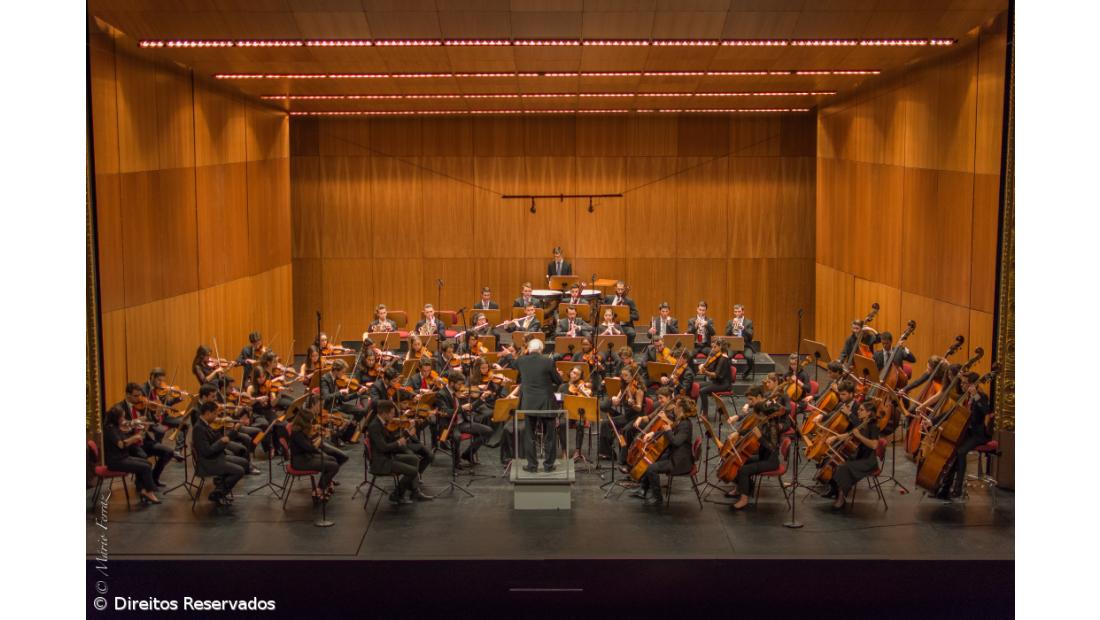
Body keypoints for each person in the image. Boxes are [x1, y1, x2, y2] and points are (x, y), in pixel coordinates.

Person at [936, 372, 993, 500]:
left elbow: (986, 411)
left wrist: (976, 395)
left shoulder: (981, 396)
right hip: (966, 433)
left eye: (964, 383)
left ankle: (958, 489)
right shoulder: (965, 397)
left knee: (961, 452)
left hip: (978, 435)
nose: (961, 385)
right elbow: (950, 412)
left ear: (972, 385)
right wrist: (932, 422)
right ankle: (944, 488)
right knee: (954, 453)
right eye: (961, 382)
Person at [631, 397, 696, 506]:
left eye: (676, 405)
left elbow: (676, 442)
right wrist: (653, 434)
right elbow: (667, 429)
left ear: (680, 408)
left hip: (680, 462)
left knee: (652, 468)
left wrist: (669, 431)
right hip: (675, 455)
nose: (674, 407)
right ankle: (644, 489)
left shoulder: (685, 424)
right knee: (651, 460)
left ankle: (658, 498)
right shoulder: (679, 420)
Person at [367, 399, 432, 504]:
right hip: (381, 462)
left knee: (414, 459)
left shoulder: (382, 422)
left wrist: (406, 433)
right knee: (413, 471)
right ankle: (396, 495)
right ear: (384, 413)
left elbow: (390, 439)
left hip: (387, 456)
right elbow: (383, 447)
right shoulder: (375, 426)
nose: (394, 416)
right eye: (392, 413)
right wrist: (398, 443)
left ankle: (414, 491)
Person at [111, 383, 174, 488]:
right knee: (142, 456)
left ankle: (154, 478)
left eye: (140, 395)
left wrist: (157, 416)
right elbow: (118, 428)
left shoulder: (142, 406)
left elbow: (151, 422)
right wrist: (135, 422)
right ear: (127, 395)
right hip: (131, 443)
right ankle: (141, 485)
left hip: (144, 440)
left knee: (168, 452)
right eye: (135, 396)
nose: (138, 399)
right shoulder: (118, 409)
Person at [287, 395, 348, 503]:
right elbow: (310, 448)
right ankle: (318, 490)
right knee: (333, 465)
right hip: (300, 462)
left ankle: (325, 485)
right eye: (309, 423)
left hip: (306, 457)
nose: (311, 425)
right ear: (304, 422)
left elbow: (309, 445)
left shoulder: (302, 429)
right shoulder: (297, 432)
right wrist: (320, 438)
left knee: (332, 460)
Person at [514, 338, 563, 472]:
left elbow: (516, 365)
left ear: (529, 349)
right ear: (541, 350)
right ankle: (548, 465)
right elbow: (558, 381)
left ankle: (532, 465)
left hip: (529, 402)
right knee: (550, 435)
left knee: (529, 436)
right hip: (546, 402)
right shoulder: (548, 360)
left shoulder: (521, 360)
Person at [190, 400, 250, 506]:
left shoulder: (206, 424)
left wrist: (233, 429)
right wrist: (223, 440)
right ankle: (218, 494)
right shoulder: (199, 428)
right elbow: (207, 451)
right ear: (208, 413)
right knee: (239, 471)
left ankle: (219, 488)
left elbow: (217, 439)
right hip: (207, 463)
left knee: (244, 462)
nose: (216, 416)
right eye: (215, 414)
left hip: (216, 457)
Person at [728, 401, 785, 510]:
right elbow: (752, 430)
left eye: (756, 414)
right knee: (739, 461)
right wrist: (738, 433)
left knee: (744, 470)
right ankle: (746, 487)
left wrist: (760, 438)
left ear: (762, 414)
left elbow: (773, 448)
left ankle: (744, 500)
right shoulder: (764, 422)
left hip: (771, 461)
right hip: (763, 457)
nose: (755, 416)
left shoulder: (773, 426)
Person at [827, 401, 882, 510]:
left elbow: (874, 445)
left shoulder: (873, 426)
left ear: (869, 413)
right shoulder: (863, 423)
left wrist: (860, 437)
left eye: (861, 410)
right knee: (836, 462)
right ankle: (836, 492)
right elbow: (850, 434)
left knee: (843, 467)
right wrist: (835, 437)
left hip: (868, 461)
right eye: (859, 409)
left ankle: (841, 498)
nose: (858, 411)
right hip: (859, 457)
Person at [101, 405, 161, 505]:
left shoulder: (116, 426)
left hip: (123, 457)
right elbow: (121, 445)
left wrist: (138, 432)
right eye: (122, 417)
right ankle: (149, 492)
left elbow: (125, 441)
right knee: (145, 467)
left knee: (148, 464)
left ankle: (143, 489)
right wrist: (135, 438)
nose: (124, 419)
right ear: (117, 418)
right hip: (115, 461)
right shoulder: (110, 429)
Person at [697, 340, 733, 419]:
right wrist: (704, 365)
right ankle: (705, 410)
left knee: (702, 391)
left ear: (720, 347)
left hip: (724, 384)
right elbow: (711, 368)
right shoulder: (717, 357)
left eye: (715, 347)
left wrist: (705, 372)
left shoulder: (723, 359)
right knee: (698, 386)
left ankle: (705, 414)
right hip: (717, 382)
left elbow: (715, 375)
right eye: (712, 347)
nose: (712, 349)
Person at [725, 304, 756, 377]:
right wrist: (732, 327)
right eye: (735, 312)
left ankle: (748, 370)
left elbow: (751, 336)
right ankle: (729, 373)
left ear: (743, 312)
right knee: (727, 357)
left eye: (739, 311)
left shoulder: (749, 322)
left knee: (749, 357)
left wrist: (743, 328)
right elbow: (726, 334)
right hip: (733, 345)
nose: (737, 314)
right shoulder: (730, 322)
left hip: (745, 345)